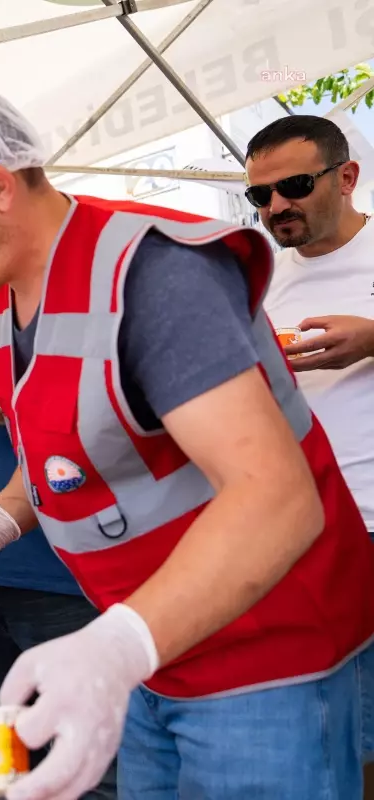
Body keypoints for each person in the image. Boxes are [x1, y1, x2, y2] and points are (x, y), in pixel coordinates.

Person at [0, 78, 374, 799]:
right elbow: (62, 455)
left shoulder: (154, 275)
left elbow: (279, 499)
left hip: (262, 655)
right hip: (147, 650)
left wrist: (120, 644)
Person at [245, 114, 374, 789]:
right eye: (259, 195)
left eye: (293, 186)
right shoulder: (261, 278)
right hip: (305, 530)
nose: (275, 208)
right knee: (333, 730)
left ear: (346, 177)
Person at [0, 351, 116, 798]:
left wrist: (16, 404)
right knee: (3, 745)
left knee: (82, 754)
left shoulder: (68, 327)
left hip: (54, 576)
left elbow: (88, 423)